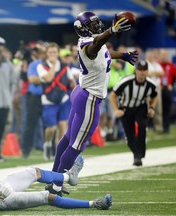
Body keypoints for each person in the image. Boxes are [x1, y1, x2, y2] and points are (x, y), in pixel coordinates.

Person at [46, 11, 138, 195]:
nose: (96, 26)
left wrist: (123, 55)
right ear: (82, 29)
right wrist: (112, 30)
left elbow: (104, 51)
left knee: (67, 139)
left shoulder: (94, 41)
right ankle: (56, 185)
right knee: (77, 145)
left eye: (96, 22)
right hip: (90, 98)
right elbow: (96, 46)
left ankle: (53, 178)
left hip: (82, 93)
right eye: (92, 24)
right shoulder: (89, 45)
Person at [0, 141, 112, 211]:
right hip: (0, 200)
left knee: (33, 171)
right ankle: (94, 204)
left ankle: (68, 177)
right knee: (47, 196)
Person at [110, 60, 158, 166]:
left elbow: (154, 95)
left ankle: (139, 153)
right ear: (136, 71)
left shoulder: (150, 84)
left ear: (147, 71)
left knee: (142, 125)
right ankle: (137, 155)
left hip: (140, 106)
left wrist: (151, 107)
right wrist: (116, 110)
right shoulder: (126, 82)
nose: (142, 72)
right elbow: (113, 95)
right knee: (129, 135)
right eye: (140, 70)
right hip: (125, 108)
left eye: (144, 70)